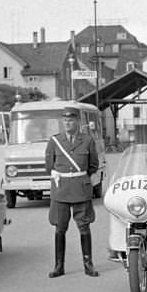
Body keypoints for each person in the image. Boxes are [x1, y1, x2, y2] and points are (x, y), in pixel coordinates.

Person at [44, 107, 100, 278]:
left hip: (80, 189)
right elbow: (49, 166)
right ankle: (59, 266)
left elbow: (93, 165)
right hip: (61, 190)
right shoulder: (55, 141)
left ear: (78, 122)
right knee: (60, 228)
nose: (68, 123)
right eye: (65, 120)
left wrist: (80, 178)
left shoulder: (88, 140)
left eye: (71, 120)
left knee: (84, 226)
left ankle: (88, 264)